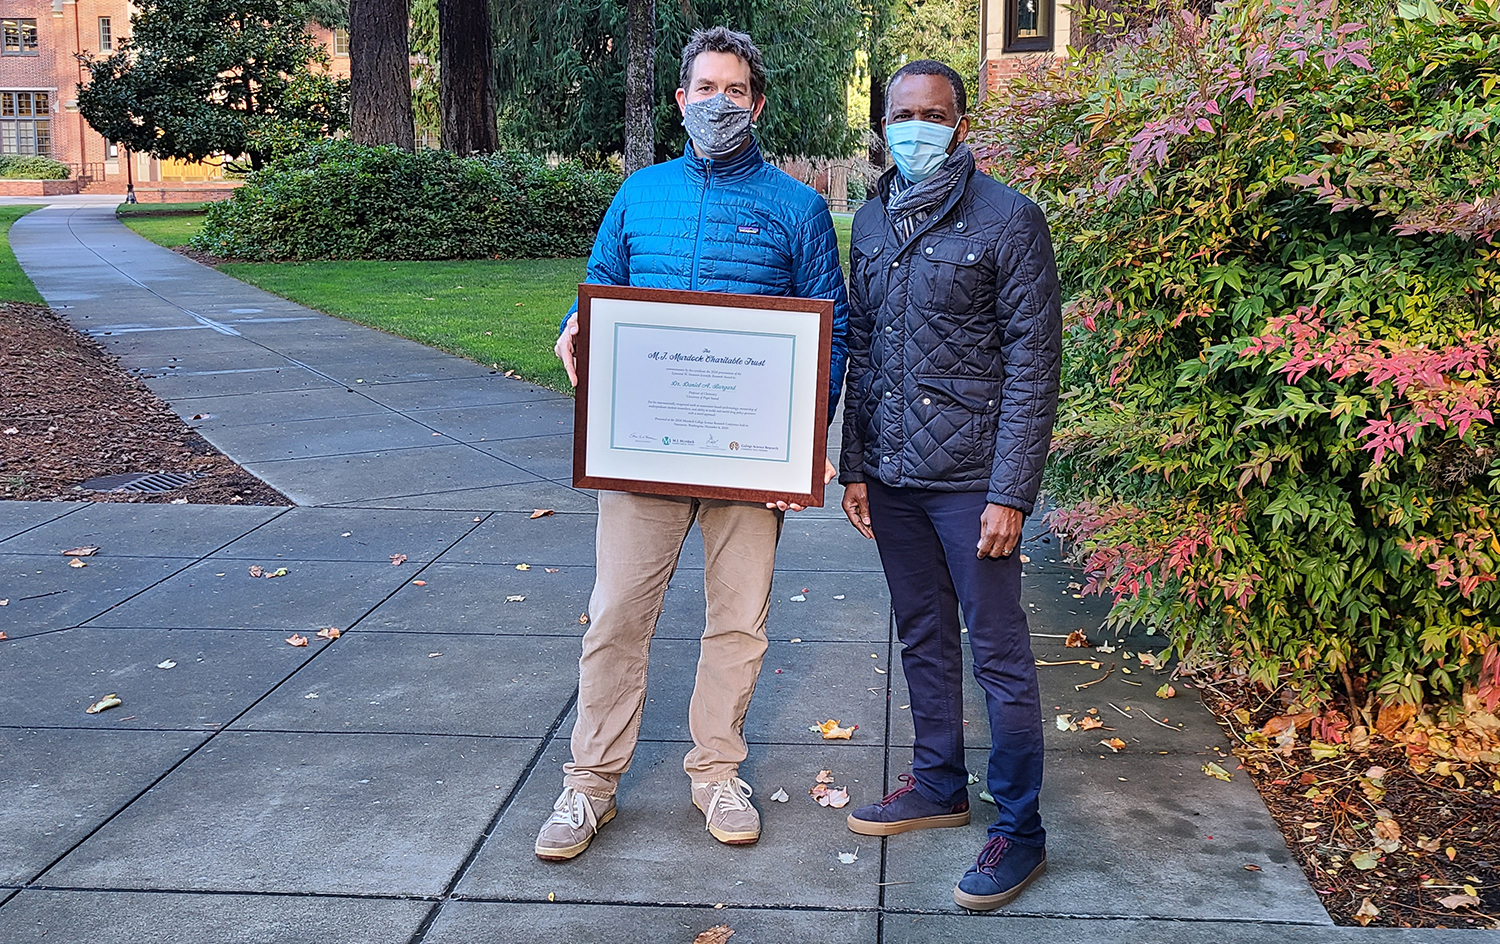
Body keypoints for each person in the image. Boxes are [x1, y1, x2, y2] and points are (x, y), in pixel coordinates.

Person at [538, 26, 849, 861]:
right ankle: (588, 787)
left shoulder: (797, 207)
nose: (720, 103)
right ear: (680, 100)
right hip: (644, 452)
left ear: (756, 101)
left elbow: (835, 329)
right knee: (615, 619)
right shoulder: (641, 194)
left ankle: (717, 771)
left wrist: (805, 439)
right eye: (705, 88)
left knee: (738, 625)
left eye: (736, 90)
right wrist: (574, 327)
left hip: (750, 462)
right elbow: (601, 290)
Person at [837, 59, 1062, 910]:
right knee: (922, 637)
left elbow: (1035, 363)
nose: (918, 125)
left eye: (935, 113)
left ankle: (1022, 829)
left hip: (973, 483)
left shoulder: (1009, 220)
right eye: (904, 113)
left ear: (961, 124)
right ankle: (939, 784)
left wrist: (1011, 491)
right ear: (884, 122)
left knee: (999, 655)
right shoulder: (870, 218)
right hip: (892, 478)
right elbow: (862, 350)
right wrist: (857, 466)